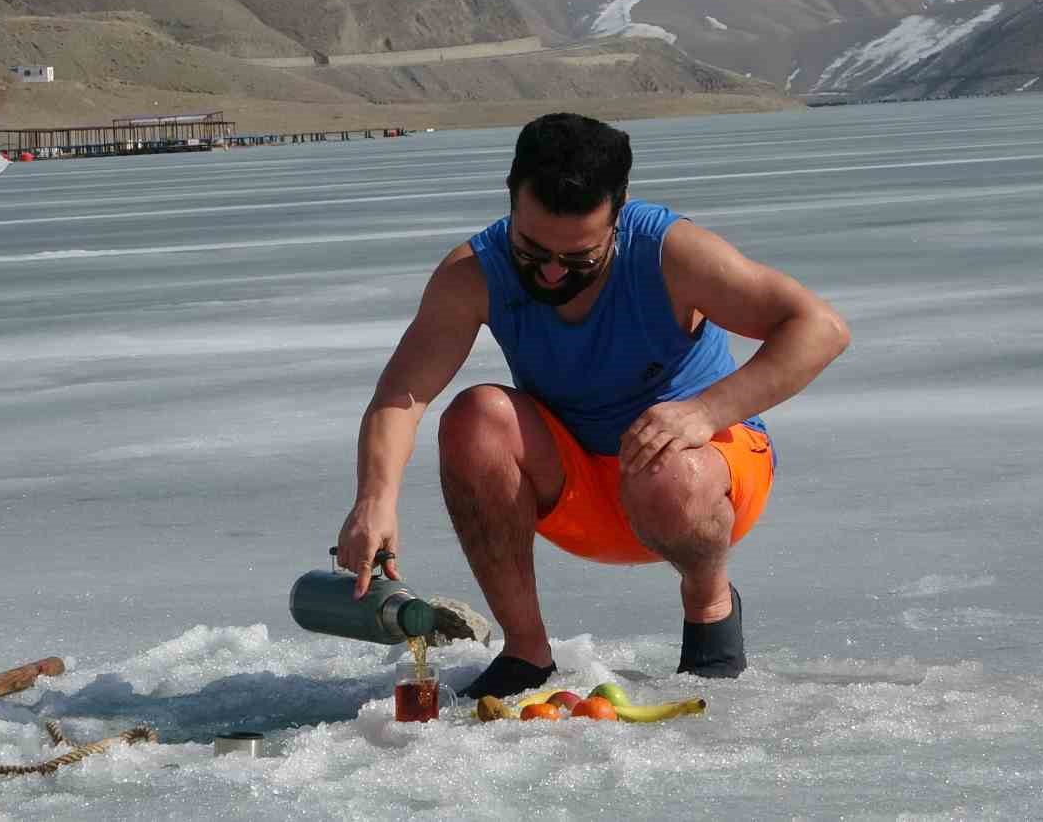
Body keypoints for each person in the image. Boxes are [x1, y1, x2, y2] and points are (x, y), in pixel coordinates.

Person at [335, 113, 850, 698]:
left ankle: (709, 605)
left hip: (701, 482)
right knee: (475, 417)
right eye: (533, 251)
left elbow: (821, 328)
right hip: (582, 494)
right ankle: (526, 651)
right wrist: (375, 499)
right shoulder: (474, 273)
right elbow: (401, 394)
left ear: (618, 214)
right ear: (511, 198)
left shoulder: (669, 253)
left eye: (580, 258)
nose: (554, 272)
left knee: (671, 470)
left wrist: (705, 411)